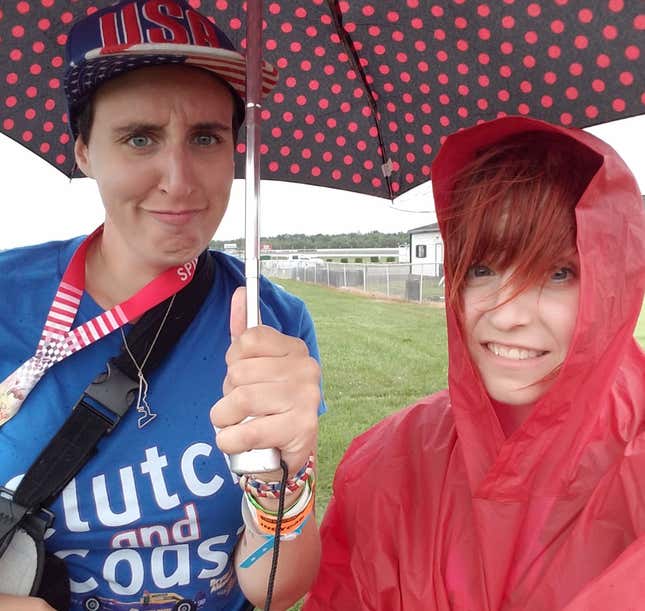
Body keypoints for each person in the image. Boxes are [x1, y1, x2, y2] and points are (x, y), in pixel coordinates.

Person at [0, 1, 324, 610]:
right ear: (84, 151)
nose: (178, 179)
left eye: (206, 137)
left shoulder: (274, 325)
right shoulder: (4, 296)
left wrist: (288, 479)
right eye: (140, 137)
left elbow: (278, 590)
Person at [304, 115, 645, 610]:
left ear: (613, 280)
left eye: (558, 272)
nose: (507, 314)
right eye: (482, 268)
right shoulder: (390, 463)